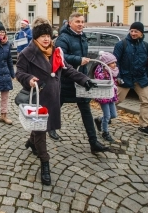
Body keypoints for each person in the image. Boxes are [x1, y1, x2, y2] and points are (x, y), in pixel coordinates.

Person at [16, 17, 95, 185]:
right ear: (35, 37)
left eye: (48, 35)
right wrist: (28, 79)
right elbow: (19, 72)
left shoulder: (57, 52)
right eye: (42, 36)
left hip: (53, 97)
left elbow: (68, 70)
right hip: (38, 98)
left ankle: (31, 142)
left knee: (40, 128)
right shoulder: (26, 54)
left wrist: (84, 79)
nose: (46, 39)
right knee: (41, 129)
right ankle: (45, 163)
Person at [54, 12, 109, 153]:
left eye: (82, 21)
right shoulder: (63, 38)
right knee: (53, 109)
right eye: (77, 21)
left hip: (80, 80)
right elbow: (61, 57)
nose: (81, 24)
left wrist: (85, 74)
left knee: (86, 111)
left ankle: (94, 143)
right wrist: (78, 59)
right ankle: (34, 138)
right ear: (70, 23)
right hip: (66, 82)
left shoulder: (83, 36)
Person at [113, 22, 148, 137]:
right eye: (131, 31)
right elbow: (115, 62)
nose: (133, 33)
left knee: (146, 101)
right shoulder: (122, 44)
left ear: (141, 33)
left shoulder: (145, 46)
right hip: (125, 77)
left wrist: (147, 77)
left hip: (141, 78)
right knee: (116, 100)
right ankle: (105, 118)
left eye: (136, 31)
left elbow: (147, 63)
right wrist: (118, 77)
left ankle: (144, 126)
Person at [93, 52, 119, 142]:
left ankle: (99, 119)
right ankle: (105, 132)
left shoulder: (113, 71)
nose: (114, 64)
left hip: (111, 95)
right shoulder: (101, 71)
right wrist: (105, 76)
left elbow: (114, 80)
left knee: (113, 115)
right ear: (106, 63)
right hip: (103, 96)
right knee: (107, 115)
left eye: (115, 62)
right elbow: (99, 80)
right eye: (112, 63)